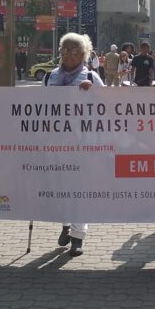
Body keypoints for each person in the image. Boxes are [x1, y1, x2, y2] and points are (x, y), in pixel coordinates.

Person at [47, 32, 104, 256]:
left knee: (79, 190)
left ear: (83, 54)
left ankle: (78, 236)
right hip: (55, 143)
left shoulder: (90, 75)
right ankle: (65, 225)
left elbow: (107, 104)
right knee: (60, 187)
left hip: (83, 145)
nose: (68, 55)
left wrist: (94, 92)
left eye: (73, 51)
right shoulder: (50, 77)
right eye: (64, 50)